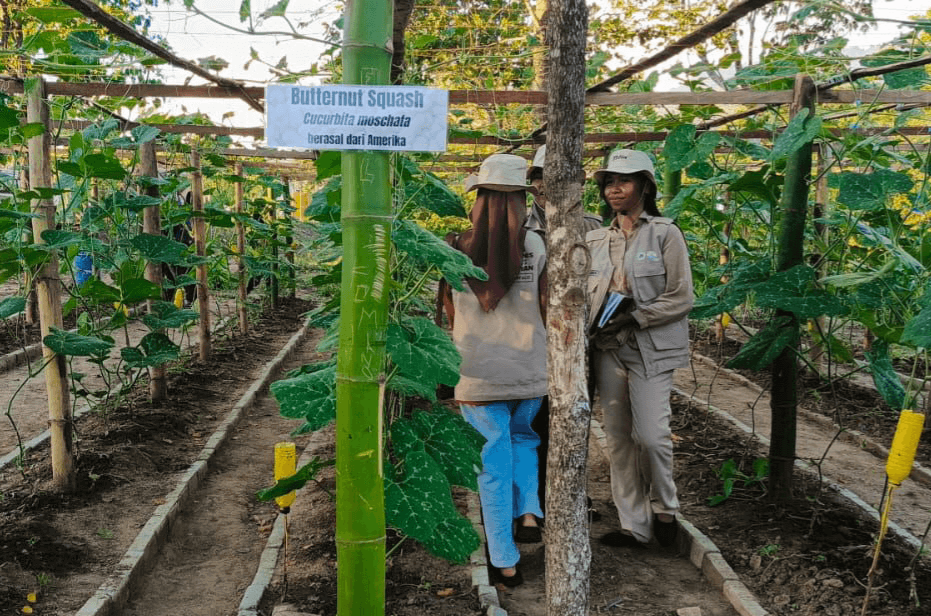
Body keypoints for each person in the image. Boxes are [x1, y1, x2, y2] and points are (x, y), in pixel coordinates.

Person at [439, 154, 547, 587]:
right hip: (529, 369)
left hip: (478, 373)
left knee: (491, 464)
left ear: (478, 199)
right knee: (524, 438)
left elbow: (447, 312)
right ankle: (530, 513)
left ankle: (504, 561)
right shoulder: (537, 244)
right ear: (522, 200)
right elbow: (546, 305)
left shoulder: (454, 247)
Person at [586, 148, 693, 549]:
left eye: (624, 181)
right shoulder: (595, 238)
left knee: (651, 435)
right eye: (609, 182)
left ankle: (665, 508)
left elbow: (681, 298)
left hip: (650, 347)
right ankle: (635, 525)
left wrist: (635, 316)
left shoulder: (666, 233)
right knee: (617, 438)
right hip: (607, 348)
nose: (615, 189)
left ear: (645, 186)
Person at [524, 144, 602, 516]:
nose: (545, 187)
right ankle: (538, 496)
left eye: (556, 180)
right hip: (534, 341)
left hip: (580, 341)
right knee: (537, 418)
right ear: (533, 184)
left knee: (575, 417)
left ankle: (571, 492)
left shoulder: (594, 229)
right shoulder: (519, 228)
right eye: (540, 179)